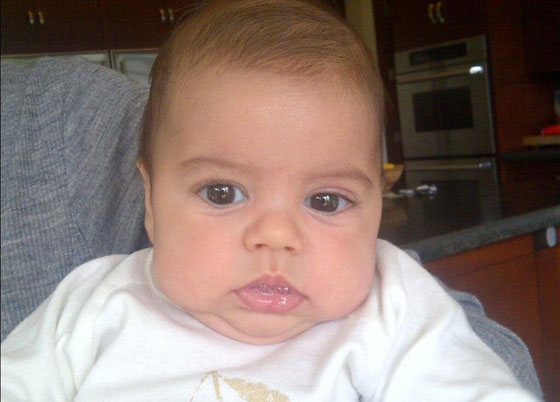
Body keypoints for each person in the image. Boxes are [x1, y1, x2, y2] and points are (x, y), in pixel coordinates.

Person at [0, 0, 540, 400]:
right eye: (222, 193)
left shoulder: (389, 305)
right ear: (150, 202)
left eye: (326, 201)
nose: (277, 236)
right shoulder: (95, 304)